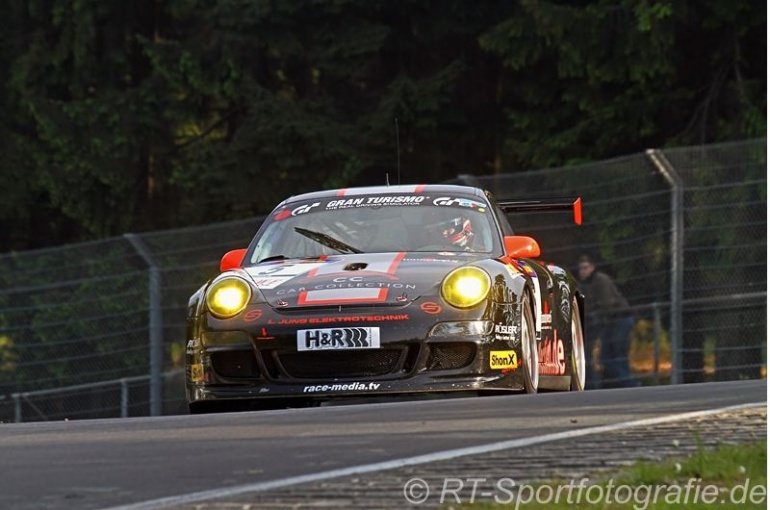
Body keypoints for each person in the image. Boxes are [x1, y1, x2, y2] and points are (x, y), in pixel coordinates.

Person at [576, 254, 639, 388]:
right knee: (607, 356)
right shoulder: (586, 284)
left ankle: (629, 383)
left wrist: (594, 315)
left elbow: (606, 304)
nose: (582, 271)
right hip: (610, 321)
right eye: (581, 269)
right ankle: (624, 383)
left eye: (585, 268)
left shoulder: (600, 280)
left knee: (616, 354)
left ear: (592, 267)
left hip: (620, 319)